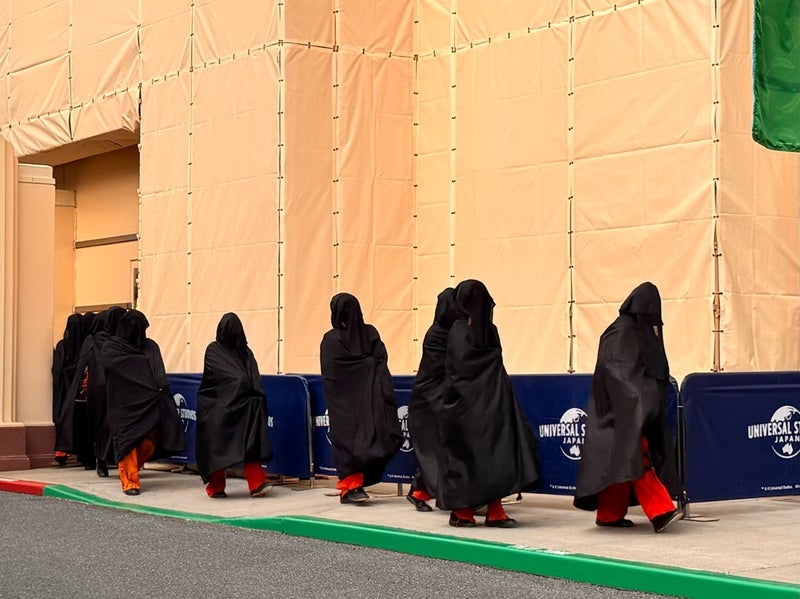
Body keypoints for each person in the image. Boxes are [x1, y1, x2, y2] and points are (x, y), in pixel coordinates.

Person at [573, 282, 682, 533]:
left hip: (627, 410)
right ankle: (660, 510)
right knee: (636, 455)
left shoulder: (636, 330)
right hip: (617, 411)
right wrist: (637, 399)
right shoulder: (621, 331)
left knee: (619, 460)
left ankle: (609, 514)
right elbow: (617, 372)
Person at [438, 279, 540, 528]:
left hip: (475, 404)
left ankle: (484, 511)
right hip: (483, 403)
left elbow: (462, 369)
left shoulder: (465, 330)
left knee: (482, 457)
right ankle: (469, 512)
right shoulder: (475, 330)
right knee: (483, 456)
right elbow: (473, 368)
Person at [320, 293, 403, 504]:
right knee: (352, 444)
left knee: (373, 441)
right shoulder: (337, 339)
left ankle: (356, 484)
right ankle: (350, 487)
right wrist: (367, 366)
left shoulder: (342, 337)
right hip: (347, 403)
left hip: (367, 400)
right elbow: (334, 371)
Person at [101, 309, 185, 496]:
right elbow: (113, 366)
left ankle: (130, 470)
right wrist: (140, 366)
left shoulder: (150, 346)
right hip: (122, 405)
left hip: (148, 404)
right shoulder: (111, 347)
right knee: (128, 443)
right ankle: (129, 481)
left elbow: (158, 372)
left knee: (149, 444)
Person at [195, 313, 273, 498]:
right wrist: (242, 387)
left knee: (251, 437)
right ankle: (215, 487)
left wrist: (254, 394)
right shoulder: (214, 350)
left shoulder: (246, 352)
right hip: (216, 405)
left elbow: (253, 377)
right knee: (216, 441)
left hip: (243, 404)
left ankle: (256, 483)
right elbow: (230, 378)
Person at [406, 287, 458, 512]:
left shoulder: (450, 332)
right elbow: (444, 366)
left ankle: (421, 491)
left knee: (442, 449)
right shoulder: (437, 334)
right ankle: (419, 492)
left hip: (440, 397)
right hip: (428, 400)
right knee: (435, 449)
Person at [51, 314, 84, 467]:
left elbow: (57, 368)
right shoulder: (85, 345)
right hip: (78, 388)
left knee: (62, 417)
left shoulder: (62, 345)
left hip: (63, 388)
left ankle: (61, 452)